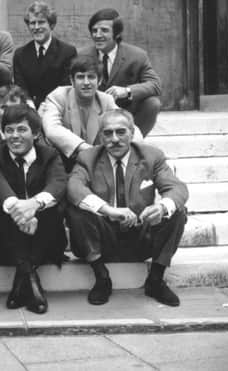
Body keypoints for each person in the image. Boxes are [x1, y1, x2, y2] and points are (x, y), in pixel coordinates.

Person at [66, 109, 188, 307]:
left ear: (132, 133)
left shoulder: (151, 156)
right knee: (77, 209)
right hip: (102, 238)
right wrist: (108, 210)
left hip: (140, 237)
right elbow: (73, 187)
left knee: (176, 211)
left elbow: (177, 188)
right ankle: (102, 278)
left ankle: (156, 280)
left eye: (121, 132)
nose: (114, 139)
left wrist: (162, 207)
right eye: (108, 133)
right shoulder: (88, 158)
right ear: (100, 136)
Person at [0, 105, 67, 314]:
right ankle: (30, 277)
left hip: (44, 237)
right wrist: (21, 212)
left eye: (22, 129)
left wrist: (34, 205)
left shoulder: (50, 155)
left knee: (51, 206)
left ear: (36, 133)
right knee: (1, 209)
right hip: (4, 238)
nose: (14, 136)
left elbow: (58, 184)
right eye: (9, 130)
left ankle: (22, 278)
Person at [79, 8, 161, 136]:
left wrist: (127, 91)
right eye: (94, 31)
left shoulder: (137, 55)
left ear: (117, 34)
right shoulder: (81, 55)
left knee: (152, 103)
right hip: (91, 113)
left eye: (104, 30)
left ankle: (134, 142)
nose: (98, 35)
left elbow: (155, 84)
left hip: (125, 113)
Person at [40, 55, 120, 170]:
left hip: (96, 164)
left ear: (100, 81)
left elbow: (127, 125)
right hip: (62, 162)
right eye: (81, 77)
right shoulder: (58, 96)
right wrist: (86, 149)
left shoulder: (106, 100)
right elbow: (52, 129)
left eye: (91, 77)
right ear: (72, 81)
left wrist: (137, 146)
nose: (86, 82)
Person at [13, 1, 77, 109]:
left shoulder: (67, 52)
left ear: (51, 25)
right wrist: (29, 105)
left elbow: (66, 88)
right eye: (32, 23)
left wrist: (47, 106)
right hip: (29, 108)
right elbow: (21, 88)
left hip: (57, 108)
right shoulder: (20, 54)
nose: (36, 27)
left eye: (41, 22)